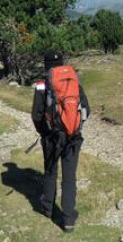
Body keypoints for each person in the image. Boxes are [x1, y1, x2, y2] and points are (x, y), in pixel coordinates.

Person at [31, 50, 90, 233]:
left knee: (50, 172)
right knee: (69, 177)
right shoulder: (74, 80)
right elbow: (87, 108)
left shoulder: (42, 84)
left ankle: (48, 209)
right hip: (73, 137)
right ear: (63, 62)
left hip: (51, 137)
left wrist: (44, 132)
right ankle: (69, 220)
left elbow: (36, 115)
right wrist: (73, 127)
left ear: (45, 64)